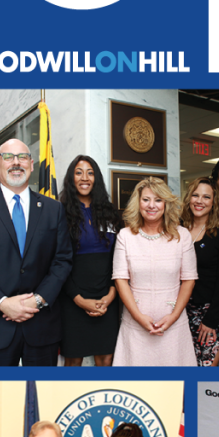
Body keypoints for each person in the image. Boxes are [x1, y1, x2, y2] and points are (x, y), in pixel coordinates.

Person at [0, 139, 73, 366]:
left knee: (40, 396)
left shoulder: (53, 208)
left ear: (31, 164)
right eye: (8, 157)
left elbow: (62, 260)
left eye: (22, 157)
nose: (15, 163)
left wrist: (38, 301)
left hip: (40, 325)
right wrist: (2, 303)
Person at [112, 178, 198, 366]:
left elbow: (189, 280)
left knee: (176, 388)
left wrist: (173, 317)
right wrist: (139, 317)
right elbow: (120, 280)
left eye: (158, 200)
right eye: (146, 200)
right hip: (135, 326)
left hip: (173, 326)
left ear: (166, 204)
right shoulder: (125, 236)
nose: (152, 205)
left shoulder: (182, 235)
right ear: (138, 202)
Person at [59, 155, 122, 367]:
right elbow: (58, 263)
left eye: (90, 172)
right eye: (78, 172)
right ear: (71, 178)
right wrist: (79, 299)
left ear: (97, 178)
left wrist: (112, 293)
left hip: (108, 298)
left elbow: (119, 257)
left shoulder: (111, 213)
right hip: (73, 299)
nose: (84, 178)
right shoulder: (59, 213)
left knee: (106, 358)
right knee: (73, 359)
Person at [181, 177, 219, 366]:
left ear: (214, 203)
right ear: (189, 198)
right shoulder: (178, 231)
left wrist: (211, 319)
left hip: (210, 311)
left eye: (206, 197)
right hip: (181, 311)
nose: (199, 201)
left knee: (206, 370)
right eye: (195, 195)